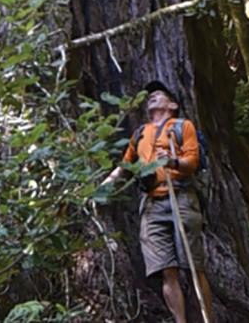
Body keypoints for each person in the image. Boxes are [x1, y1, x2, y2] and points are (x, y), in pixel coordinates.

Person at [101, 81, 215, 323]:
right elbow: (124, 167)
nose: (151, 97)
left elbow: (192, 162)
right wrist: (99, 189)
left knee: (194, 266)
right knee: (167, 270)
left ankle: (208, 320)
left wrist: (173, 162)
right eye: (149, 96)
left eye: (158, 95)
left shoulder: (183, 126)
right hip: (152, 203)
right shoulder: (140, 133)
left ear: (172, 104)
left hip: (181, 197)